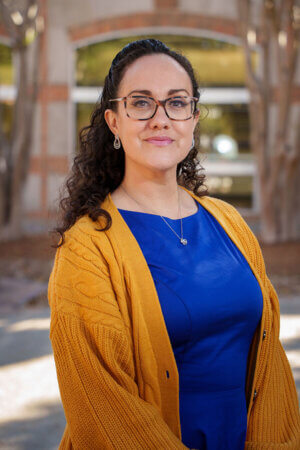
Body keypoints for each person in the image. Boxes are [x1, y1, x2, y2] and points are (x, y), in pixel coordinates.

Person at [48, 39, 300, 449]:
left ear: (194, 119)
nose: (161, 119)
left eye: (176, 103)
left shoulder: (229, 222)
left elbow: (269, 365)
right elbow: (106, 407)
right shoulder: (87, 249)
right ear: (114, 121)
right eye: (141, 102)